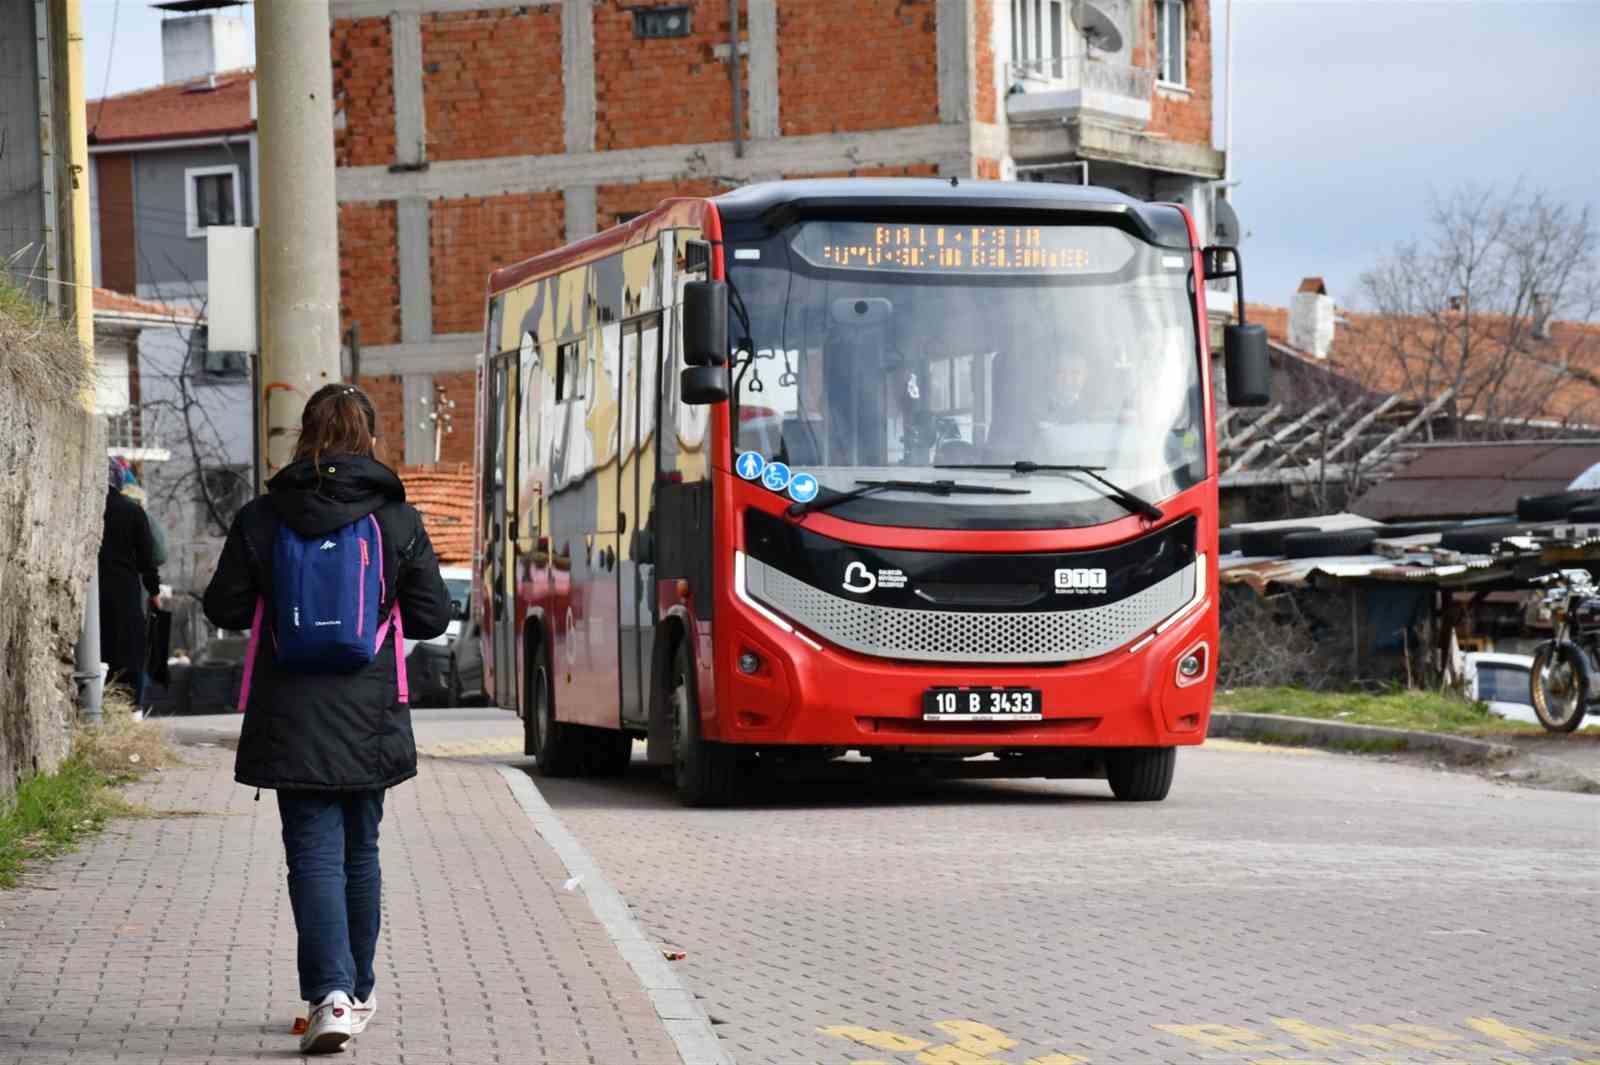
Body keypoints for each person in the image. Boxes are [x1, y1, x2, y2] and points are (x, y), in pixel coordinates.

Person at [202, 384, 449, 1055]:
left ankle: (328, 996)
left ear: (303, 436)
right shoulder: (396, 518)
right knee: (360, 850)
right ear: (368, 438)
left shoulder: (263, 515)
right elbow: (431, 616)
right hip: (369, 709)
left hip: (291, 711)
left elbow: (223, 606)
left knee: (311, 851)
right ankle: (358, 990)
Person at [99, 459, 160, 708]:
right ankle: (127, 707)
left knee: (99, 648)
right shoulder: (132, 511)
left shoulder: (84, 511)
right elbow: (148, 556)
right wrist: (154, 590)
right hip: (124, 590)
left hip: (92, 591)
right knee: (127, 649)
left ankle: (96, 702)